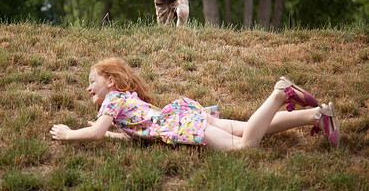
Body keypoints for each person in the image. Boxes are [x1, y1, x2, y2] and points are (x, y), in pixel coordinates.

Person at [50, 58, 341, 150]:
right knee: (252, 132)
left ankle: (279, 94)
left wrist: (69, 134)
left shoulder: (111, 100)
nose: (88, 87)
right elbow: (140, 131)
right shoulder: (125, 100)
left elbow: (96, 133)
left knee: (244, 147)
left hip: (181, 124)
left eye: (92, 81)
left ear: (110, 82)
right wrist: (116, 133)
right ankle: (316, 114)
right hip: (183, 117)